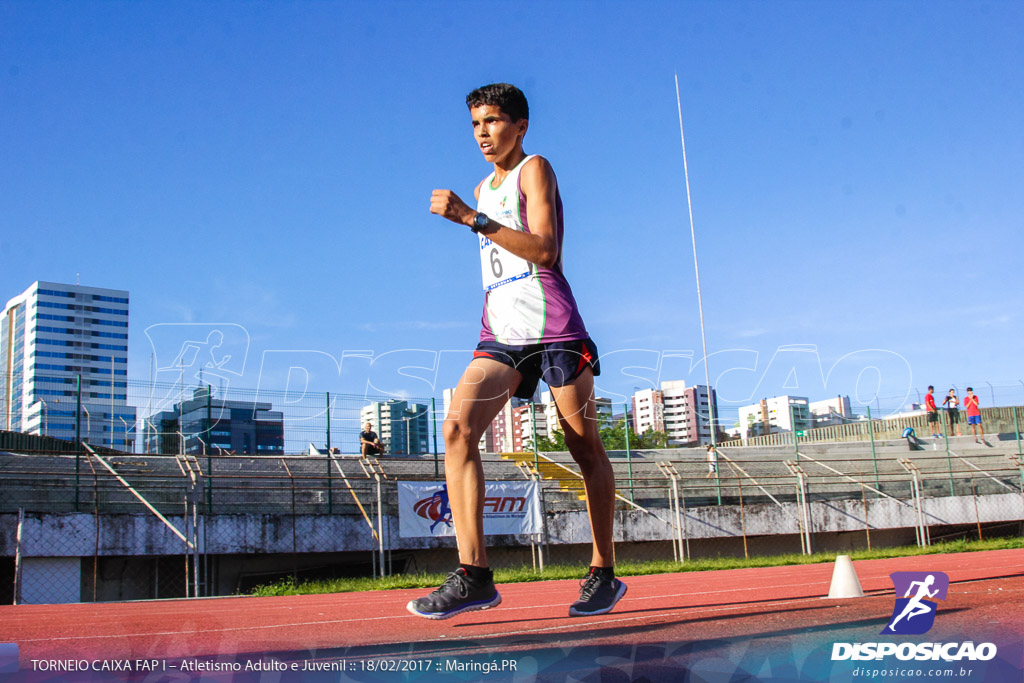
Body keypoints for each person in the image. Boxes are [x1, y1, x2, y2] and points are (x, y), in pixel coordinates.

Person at [408, 83, 625, 620]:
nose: (484, 132)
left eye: (494, 121)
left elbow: (546, 249)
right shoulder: (483, 187)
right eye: (476, 124)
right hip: (501, 333)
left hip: (554, 329)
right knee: (457, 428)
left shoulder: (535, 169)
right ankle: (475, 574)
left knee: (584, 446)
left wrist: (470, 219)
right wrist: (474, 213)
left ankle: (603, 571)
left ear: (520, 126)